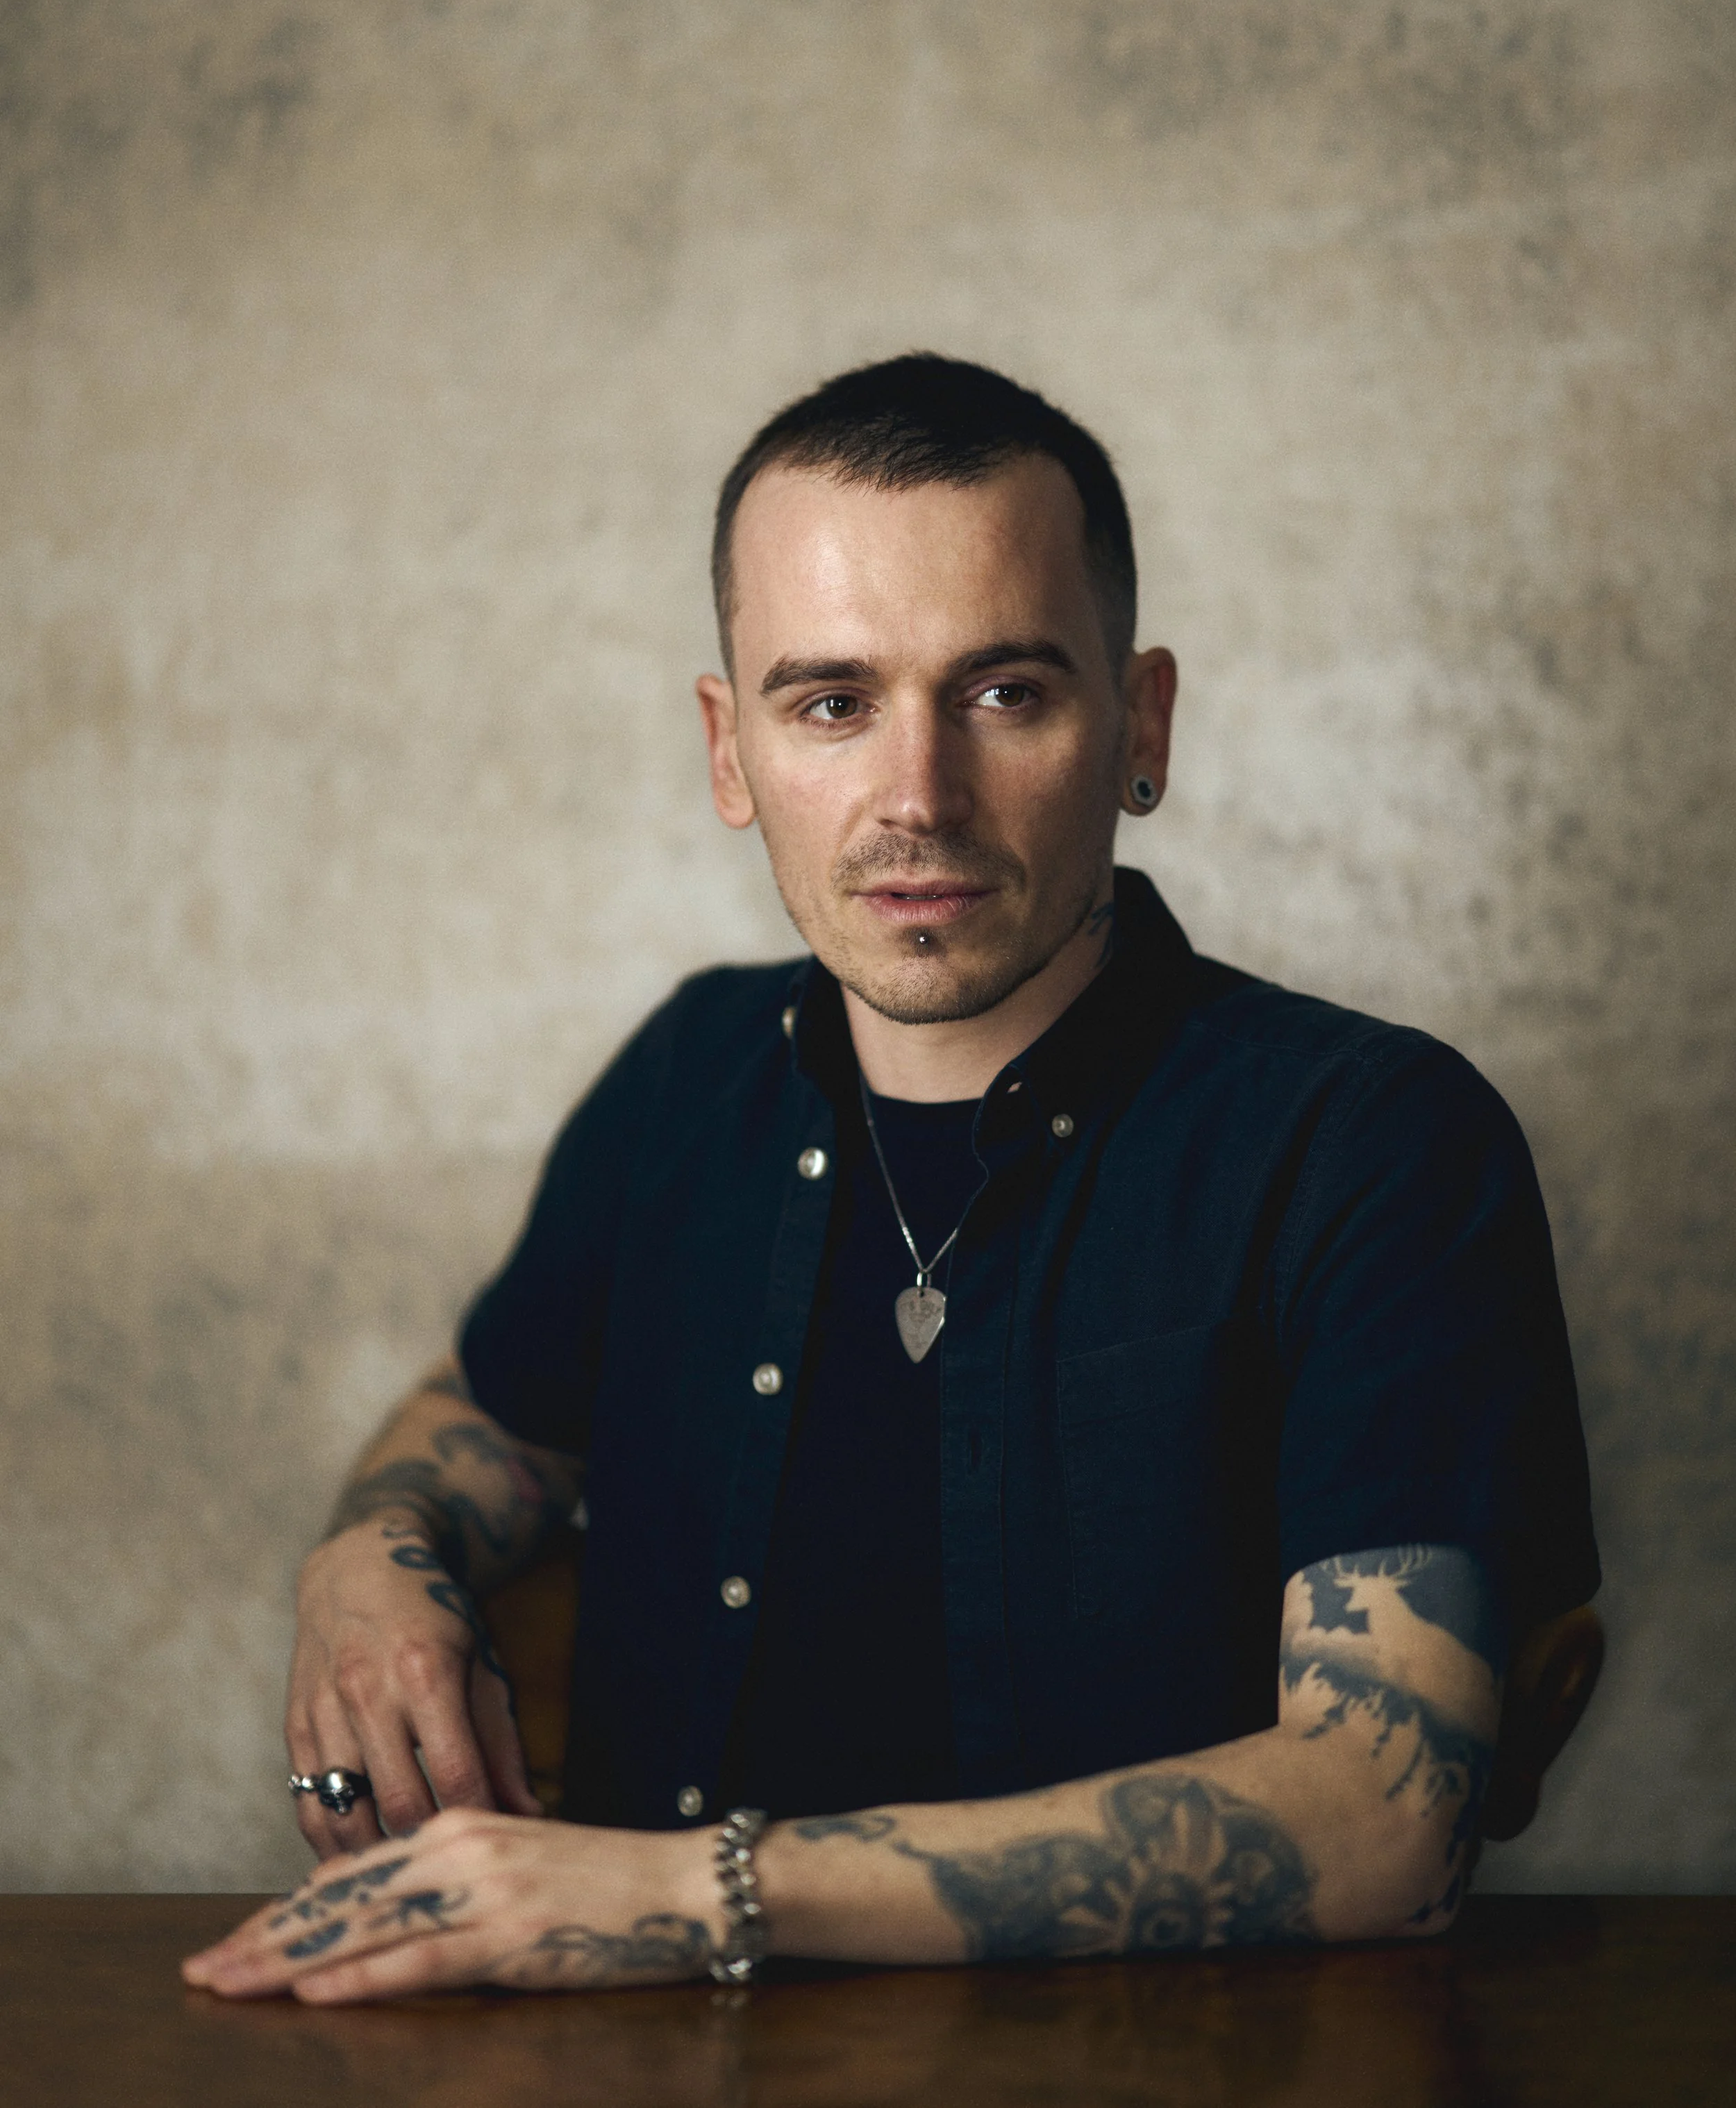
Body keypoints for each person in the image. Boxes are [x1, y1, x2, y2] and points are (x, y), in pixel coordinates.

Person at [186, 355, 1599, 2003]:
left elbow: (1384, 1818)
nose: (913, 798)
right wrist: (366, 1549)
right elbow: (488, 1415)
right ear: (731, 751)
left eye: (1003, 691)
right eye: (830, 702)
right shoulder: (683, 1083)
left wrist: (693, 1892)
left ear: (1138, 723)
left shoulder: (1370, 1142)